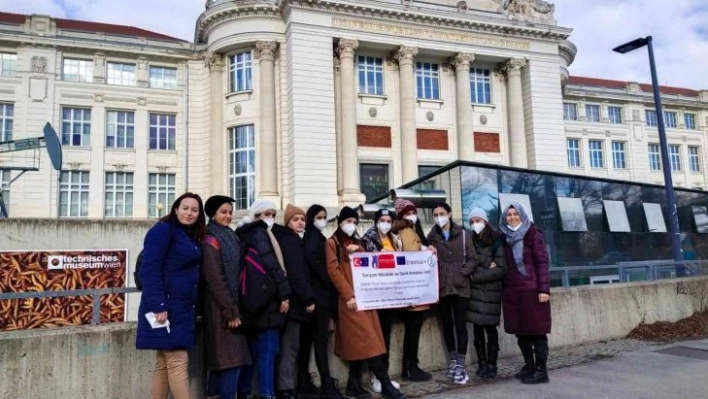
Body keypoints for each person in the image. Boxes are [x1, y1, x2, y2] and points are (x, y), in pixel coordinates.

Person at [326, 206, 407, 399]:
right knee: (369, 340)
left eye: (354, 222)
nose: (351, 225)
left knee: (362, 341)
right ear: (340, 222)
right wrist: (348, 296)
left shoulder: (358, 241)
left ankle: (353, 383)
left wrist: (359, 249)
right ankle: (384, 382)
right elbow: (333, 271)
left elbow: (370, 263)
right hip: (350, 301)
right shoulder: (332, 243)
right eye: (348, 221)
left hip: (365, 297)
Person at [136, 192, 206, 399]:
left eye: (194, 210)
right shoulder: (163, 230)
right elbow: (149, 269)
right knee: (177, 359)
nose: (189, 213)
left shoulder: (187, 234)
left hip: (180, 309)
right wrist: (159, 305)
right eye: (185, 208)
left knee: (164, 363)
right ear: (176, 209)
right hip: (166, 309)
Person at [235, 199, 292, 399]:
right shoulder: (260, 233)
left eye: (273, 214)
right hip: (267, 303)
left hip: (251, 302)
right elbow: (271, 264)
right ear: (257, 215)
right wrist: (285, 293)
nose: (271, 218)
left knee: (250, 354)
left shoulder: (244, 234)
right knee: (268, 352)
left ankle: (243, 392)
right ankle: (267, 394)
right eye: (267, 214)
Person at [201, 195, 251, 399]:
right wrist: (230, 311)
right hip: (219, 309)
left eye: (230, 212)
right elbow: (215, 278)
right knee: (231, 362)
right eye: (223, 212)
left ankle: (212, 395)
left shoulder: (229, 235)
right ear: (212, 214)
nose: (228, 216)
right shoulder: (210, 238)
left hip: (230, 306)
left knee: (223, 362)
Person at [499, 203, 551, 384]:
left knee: (537, 331)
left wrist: (544, 289)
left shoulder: (533, 234)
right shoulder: (504, 237)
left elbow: (542, 263)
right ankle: (529, 366)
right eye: (509, 214)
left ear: (522, 215)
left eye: (515, 214)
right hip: (513, 292)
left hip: (532, 290)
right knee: (521, 333)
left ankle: (541, 371)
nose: (512, 217)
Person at [426, 203, 478, 385]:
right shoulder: (431, 238)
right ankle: (453, 361)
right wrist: (427, 251)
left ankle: (461, 365)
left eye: (442, 213)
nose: (439, 217)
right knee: (446, 325)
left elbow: (473, 258)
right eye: (435, 214)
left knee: (460, 325)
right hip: (441, 288)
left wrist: (463, 272)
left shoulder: (463, 235)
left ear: (449, 213)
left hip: (460, 287)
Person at [297, 205, 346, 399]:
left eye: (324, 216)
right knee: (320, 340)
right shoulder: (315, 236)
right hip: (319, 296)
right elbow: (312, 258)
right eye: (318, 216)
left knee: (308, 340)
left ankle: (304, 382)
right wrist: (325, 277)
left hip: (311, 297)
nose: (322, 220)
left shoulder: (309, 236)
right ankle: (326, 384)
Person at [272, 204, 317, 399]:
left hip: (289, 301)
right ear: (287, 222)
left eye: (302, 220)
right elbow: (297, 274)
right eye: (295, 219)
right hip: (295, 303)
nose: (300, 223)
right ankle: (285, 389)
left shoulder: (289, 239)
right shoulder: (290, 241)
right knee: (290, 347)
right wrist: (308, 297)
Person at [391, 198, 434, 382]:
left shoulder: (403, 230)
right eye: (408, 213)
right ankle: (410, 366)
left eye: (413, 212)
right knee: (413, 330)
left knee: (413, 330)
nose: (412, 215)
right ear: (402, 215)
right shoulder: (407, 230)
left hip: (410, 290)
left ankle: (411, 365)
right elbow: (412, 257)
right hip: (414, 291)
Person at [360, 209, 402, 393]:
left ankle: (384, 375)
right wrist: (379, 255)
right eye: (382, 220)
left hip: (391, 294)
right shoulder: (368, 238)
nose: (385, 223)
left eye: (388, 220)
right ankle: (375, 377)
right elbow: (364, 263)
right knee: (377, 337)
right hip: (375, 295)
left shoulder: (395, 238)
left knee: (386, 335)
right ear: (376, 221)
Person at [466, 207, 507, 380]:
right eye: (472, 221)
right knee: (477, 330)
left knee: (490, 330)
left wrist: (475, 275)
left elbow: (501, 268)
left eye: (478, 220)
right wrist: (485, 267)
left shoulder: (496, 240)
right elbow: (467, 262)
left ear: (485, 221)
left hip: (490, 292)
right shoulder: (469, 240)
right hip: (475, 293)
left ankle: (492, 364)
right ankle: (482, 363)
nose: (475, 224)